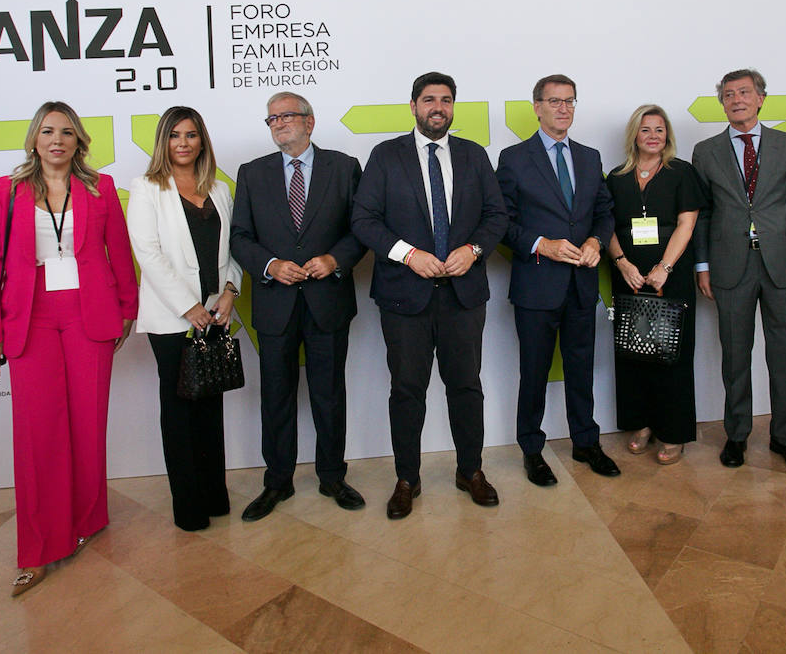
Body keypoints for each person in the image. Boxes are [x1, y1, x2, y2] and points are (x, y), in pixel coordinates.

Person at [0, 101, 136, 596]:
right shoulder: (4, 191)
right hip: (31, 318)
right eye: (47, 131)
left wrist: (127, 308)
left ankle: (89, 518)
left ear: (79, 140)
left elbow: (118, 250)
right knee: (39, 434)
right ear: (34, 139)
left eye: (66, 131)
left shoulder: (99, 188)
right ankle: (39, 546)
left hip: (91, 315)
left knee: (88, 422)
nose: (57, 140)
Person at [351, 71, 509, 519]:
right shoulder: (385, 156)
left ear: (453, 107)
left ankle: (470, 471)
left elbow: (496, 215)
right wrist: (407, 254)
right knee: (406, 390)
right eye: (428, 100)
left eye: (445, 100)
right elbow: (364, 220)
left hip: (463, 294)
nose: (437, 107)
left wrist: (473, 250)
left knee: (466, 386)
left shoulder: (474, 155)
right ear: (413, 106)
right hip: (405, 296)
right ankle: (407, 479)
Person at [230, 91, 367, 521]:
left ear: (310, 121)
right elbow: (239, 238)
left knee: (329, 395)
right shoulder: (252, 174)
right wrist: (269, 265)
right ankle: (278, 481)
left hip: (328, 301)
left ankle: (332, 476)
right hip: (275, 304)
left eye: (287, 116)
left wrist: (335, 260)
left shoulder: (344, 168)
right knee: (276, 396)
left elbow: (362, 229)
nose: (279, 124)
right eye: (271, 119)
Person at [691, 69, 786, 471]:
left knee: (785, 355)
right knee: (735, 356)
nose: (737, 100)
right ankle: (737, 435)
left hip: (784, 265)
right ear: (722, 103)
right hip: (730, 266)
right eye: (728, 95)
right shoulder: (705, 151)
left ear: (761, 98)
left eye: (745, 92)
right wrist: (702, 266)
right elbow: (703, 214)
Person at [496, 74, 619, 486]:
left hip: (582, 285)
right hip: (536, 286)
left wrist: (596, 242)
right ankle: (532, 449)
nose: (562, 108)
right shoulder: (514, 159)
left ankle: (586, 441)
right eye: (554, 101)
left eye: (569, 101)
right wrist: (540, 244)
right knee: (533, 372)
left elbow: (604, 212)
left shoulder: (589, 156)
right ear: (537, 107)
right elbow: (501, 223)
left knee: (582, 369)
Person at [126, 107, 241, 531]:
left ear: (201, 141)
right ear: (163, 142)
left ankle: (215, 496)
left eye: (191, 135)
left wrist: (230, 293)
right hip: (173, 320)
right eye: (175, 135)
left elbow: (232, 251)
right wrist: (187, 307)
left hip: (215, 314)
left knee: (211, 406)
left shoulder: (221, 190)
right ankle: (188, 508)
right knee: (179, 410)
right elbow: (148, 254)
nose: (183, 143)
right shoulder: (146, 188)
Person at [604, 105, 701, 465]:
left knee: (671, 355)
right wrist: (621, 263)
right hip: (628, 274)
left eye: (660, 130)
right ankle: (641, 424)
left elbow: (686, 224)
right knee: (634, 353)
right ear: (635, 135)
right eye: (646, 130)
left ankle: (673, 432)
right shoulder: (615, 177)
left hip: (669, 274)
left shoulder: (682, 173)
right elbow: (606, 226)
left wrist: (664, 267)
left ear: (668, 136)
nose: (654, 136)